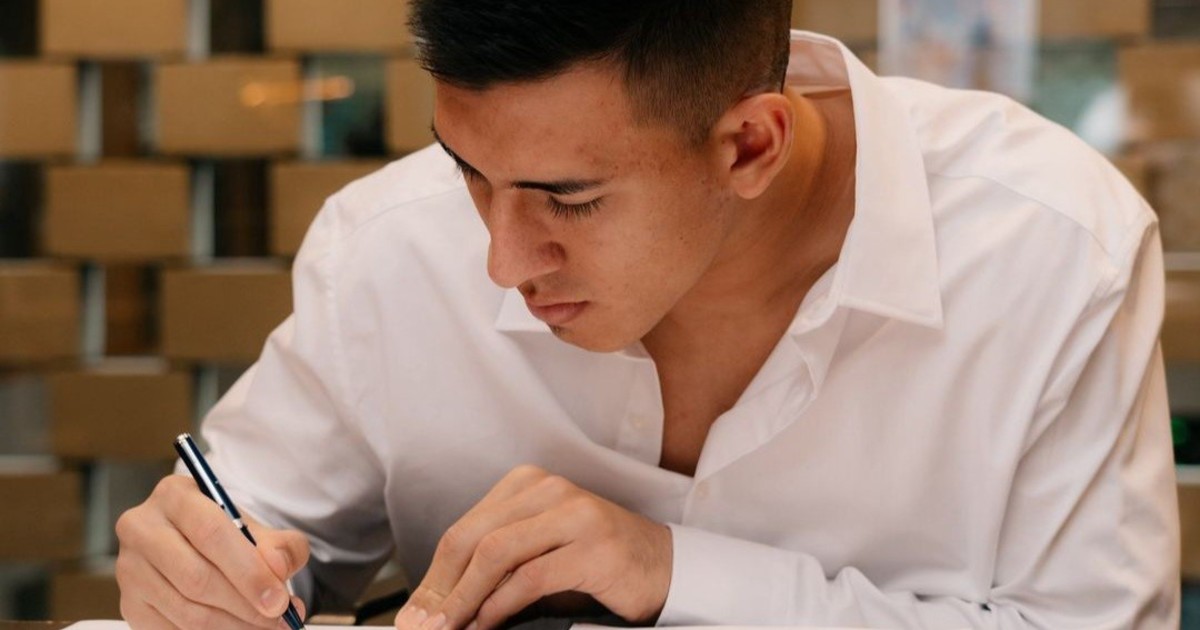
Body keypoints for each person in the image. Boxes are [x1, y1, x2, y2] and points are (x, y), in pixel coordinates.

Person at [114, 1, 1181, 628]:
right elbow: (248, 536)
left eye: (569, 200)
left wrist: (674, 573)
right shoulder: (387, 248)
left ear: (751, 146)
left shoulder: (1052, 251)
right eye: (468, 171)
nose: (500, 260)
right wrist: (197, 578)